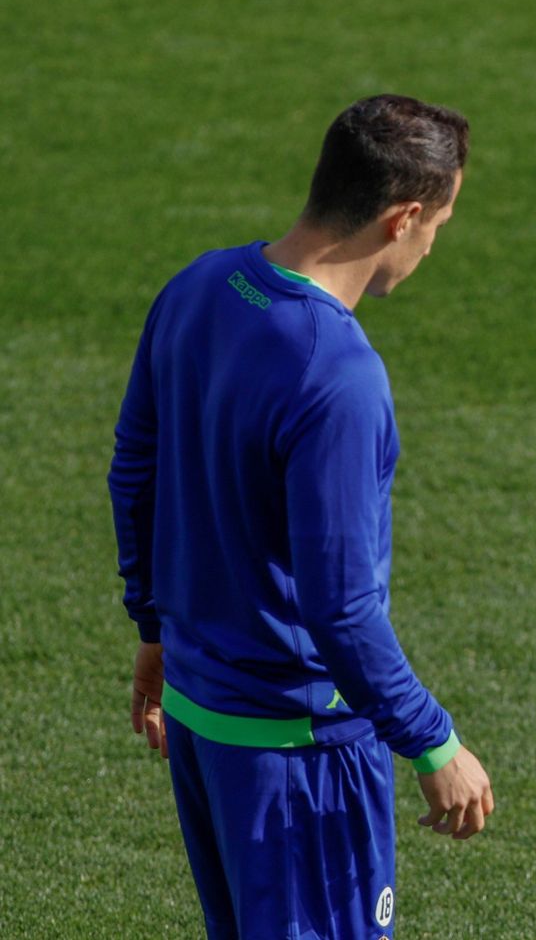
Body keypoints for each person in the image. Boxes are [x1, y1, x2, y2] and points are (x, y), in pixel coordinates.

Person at [109, 94, 495, 939]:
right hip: (300, 750)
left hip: (206, 722)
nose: (433, 245)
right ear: (403, 218)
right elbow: (339, 607)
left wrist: (154, 629)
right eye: (440, 225)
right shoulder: (339, 378)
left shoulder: (198, 286)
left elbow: (134, 469)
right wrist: (433, 744)